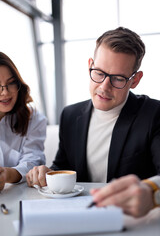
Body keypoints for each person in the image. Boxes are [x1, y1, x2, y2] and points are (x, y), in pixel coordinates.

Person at [26, 27, 160, 217]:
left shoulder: (154, 114)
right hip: (81, 217)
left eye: (118, 79)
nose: (104, 87)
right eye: (99, 73)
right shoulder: (70, 115)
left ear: (135, 80)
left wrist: (152, 192)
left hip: (133, 221)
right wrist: (46, 174)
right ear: (90, 65)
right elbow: (63, 168)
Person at [0, 52, 47, 191]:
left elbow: (33, 162)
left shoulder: (33, 118)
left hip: (17, 195)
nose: (5, 92)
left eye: (11, 83)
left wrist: (6, 175)